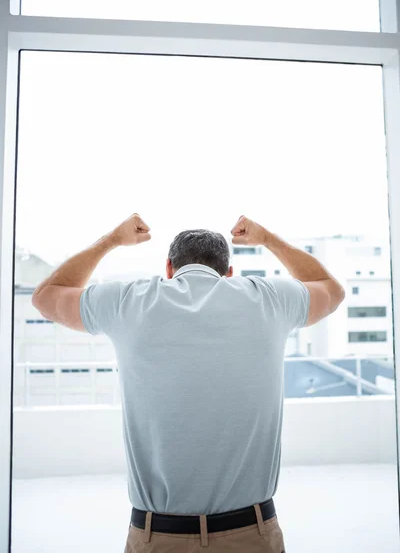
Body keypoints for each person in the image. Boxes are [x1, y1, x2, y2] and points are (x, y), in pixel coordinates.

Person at [32, 212, 345, 552]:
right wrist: (268, 239)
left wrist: (110, 240)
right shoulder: (268, 299)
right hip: (251, 535)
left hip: (157, 537)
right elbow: (332, 290)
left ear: (169, 268)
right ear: (228, 273)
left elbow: (47, 296)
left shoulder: (128, 302)